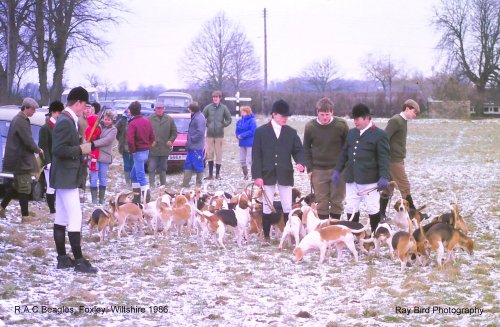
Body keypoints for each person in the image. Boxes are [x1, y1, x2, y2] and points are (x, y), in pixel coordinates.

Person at [50, 86, 97, 273]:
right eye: (84, 105)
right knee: (75, 216)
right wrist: (81, 149)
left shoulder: (69, 120)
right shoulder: (65, 121)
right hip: (66, 176)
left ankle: (62, 258)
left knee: (61, 217)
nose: (84, 109)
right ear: (77, 102)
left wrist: (79, 141)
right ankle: (78, 261)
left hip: (64, 176)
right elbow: (58, 150)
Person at [252, 99, 305, 241]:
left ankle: (289, 236)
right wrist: (257, 176)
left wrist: (300, 162)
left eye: (287, 116)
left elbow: (299, 150)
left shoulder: (291, 132)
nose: (285, 119)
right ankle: (267, 236)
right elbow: (256, 155)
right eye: (283, 116)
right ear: (274, 115)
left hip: (285, 173)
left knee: (288, 206)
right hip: (266, 174)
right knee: (267, 206)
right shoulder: (260, 132)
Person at [332, 103, 390, 234]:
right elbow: (344, 153)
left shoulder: (379, 135)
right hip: (351, 178)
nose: (355, 122)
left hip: (369, 179)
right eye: (354, 119)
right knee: (351, 207)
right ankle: (354, 235)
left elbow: (384, 158)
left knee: (372, 208)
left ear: (366, 118)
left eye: (357, 119)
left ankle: (375, 234)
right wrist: (337, 170)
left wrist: (384, 176)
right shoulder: (352, 133)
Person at [303, 97, 349, 220]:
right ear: (317, 112)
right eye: (322, 114)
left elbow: (347, 147)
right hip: (318, 170)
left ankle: (334, 226)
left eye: (327, 114)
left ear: (332, 112)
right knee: (321, 201)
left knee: (337, 200)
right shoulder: (310, 126)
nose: (324, 117)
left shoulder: (341, 125)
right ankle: (324, 229)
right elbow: (306, 148)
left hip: (338, 169)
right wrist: (309, 168)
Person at [0, 98, 44, 222]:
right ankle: (25, 217)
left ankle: (2, 207)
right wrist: (38, 150)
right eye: (33, 109)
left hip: (18, 159)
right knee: (24, 188)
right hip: (21, 160)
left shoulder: (19, 119)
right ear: (26, 107)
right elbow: (28, 140)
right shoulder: (21, 121)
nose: (34, 112)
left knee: (18, 186)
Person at [380, 99, 424, 221]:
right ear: (407, 108)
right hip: (393, 160)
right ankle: (415, 215)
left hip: (397, 159)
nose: (415, 116)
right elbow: (384, 138)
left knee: (388, 188)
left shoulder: (403, 121)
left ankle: (381, 215)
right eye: (414, 112)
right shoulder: (396, 120)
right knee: (405, 186)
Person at [127, 101, 155, 203]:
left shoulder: (132, 123)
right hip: (146, 152)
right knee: (133, 175)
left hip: (137, 152)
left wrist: (133, 151)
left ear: (132, 111)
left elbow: (130, 140)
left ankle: (146, 199)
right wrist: (148, 145)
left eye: (129, 110)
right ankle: (136, 197)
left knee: (140, 176)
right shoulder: (147, 121)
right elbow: (152, 137)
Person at [38, 100, 64, 214]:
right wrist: (47, 161)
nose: (60, 115)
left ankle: (57, 208)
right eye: (59, 112)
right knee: (51, 186)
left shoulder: (59, 126)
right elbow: (43, 146)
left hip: (59, 161)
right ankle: (52, 210)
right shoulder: (45, 128)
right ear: (53, 112)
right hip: (50, 162)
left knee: (58, 186)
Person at [88, 110, 117, 204]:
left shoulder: (113, 130)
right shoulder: (97, 126)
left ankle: (101, 199)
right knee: (93, 177)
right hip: (94, 156)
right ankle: (94, 199)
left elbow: (107, 140)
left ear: (112, 120)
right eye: (105, 119)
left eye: (109, 120)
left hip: (104, 157)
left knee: (102, 177)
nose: (106, 121)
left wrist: (94, 143)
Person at [202, 90, 232, 180]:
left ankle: (218, 174)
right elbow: (202, 118)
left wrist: (223, 125)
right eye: (214, 97)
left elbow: (229, 119)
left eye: (217, 97)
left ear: (220, 98)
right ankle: (210, 175)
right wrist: (207, 125)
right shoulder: (208, 108)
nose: (215, 99)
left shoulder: (224, 108)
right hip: (210, 135)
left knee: (218, 154)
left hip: (219, 135)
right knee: (209, 154)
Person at [147, 101, 177, 187]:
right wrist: (150, 142)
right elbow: (145, 133)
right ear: (155, 109)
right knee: (151, 167)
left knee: (163, 168)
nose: (159, 110)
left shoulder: (169, 119)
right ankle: (151, 184)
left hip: (164, 148)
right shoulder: (149, 119)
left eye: (161, 108)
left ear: (164, 109)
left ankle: (163, 184)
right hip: (153, 148)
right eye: (157, 108)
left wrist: (171, 140)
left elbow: (174, 132)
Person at [181, 102, 206, 188]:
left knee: (198, 165)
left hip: (197, 147)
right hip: (192, 147)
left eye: (189, 110)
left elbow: (200, 132)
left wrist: (191, 139)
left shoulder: (199, 118)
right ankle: (185, 183)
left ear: (192, 109)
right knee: (188, 164)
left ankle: (198, 185)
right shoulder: (196, 116)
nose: (189, 111)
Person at [235, 106, 257, 180]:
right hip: (242, 143)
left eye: (243, 112)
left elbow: (253, 131)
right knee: (242, 160)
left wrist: (242, 135)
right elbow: (237, 130)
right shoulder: (239, 121)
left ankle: (254, 176)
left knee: (250, 160)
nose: (242, 113)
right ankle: (245, 175)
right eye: (241, 111)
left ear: (247, 112)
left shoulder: (252, 121)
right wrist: (237, 136)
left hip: (250, 143)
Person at [115, 107, 133, 185]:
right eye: (128, 112)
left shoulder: (135, 120)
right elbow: (115, 130)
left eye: (130, 112)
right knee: (127, 164)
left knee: (133, 164)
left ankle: (133, 181)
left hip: (134, 146)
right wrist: (120, 139)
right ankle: (127, 182)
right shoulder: (122, 120)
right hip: (124, 145)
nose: (129, 113)